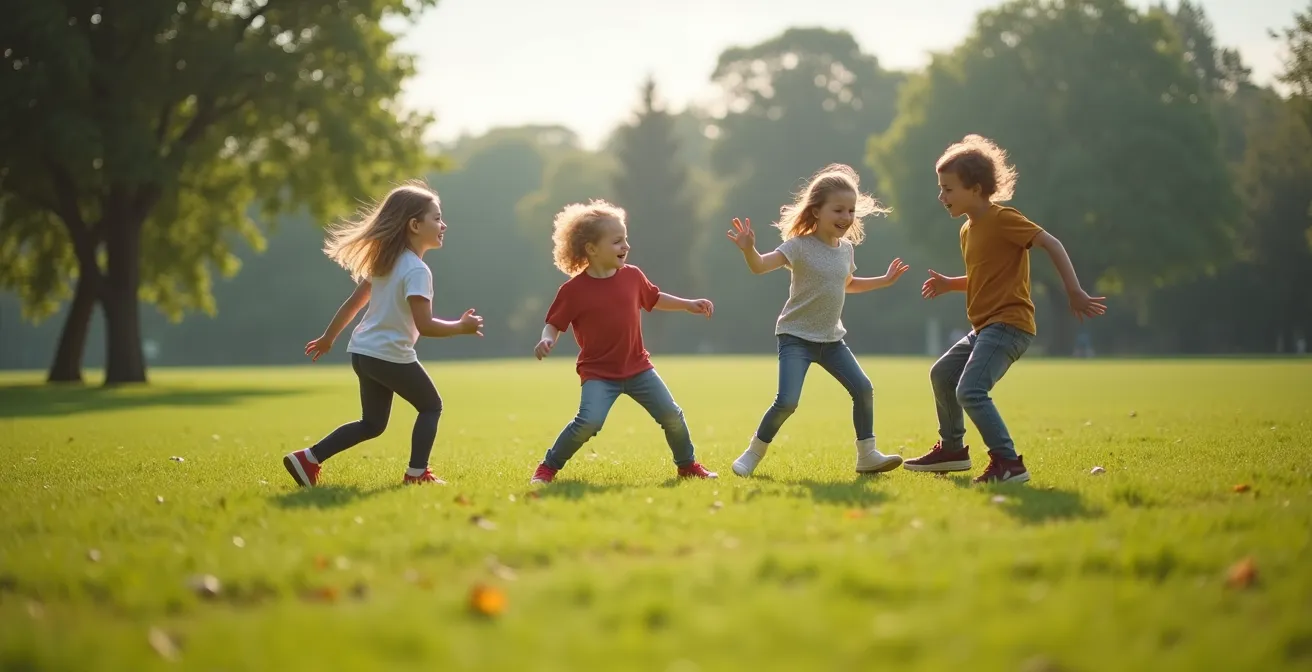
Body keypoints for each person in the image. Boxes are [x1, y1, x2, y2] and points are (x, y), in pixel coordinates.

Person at [905, 135, 1106, 483]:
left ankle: (1009, 463)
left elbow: (1051, 243)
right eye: (941, 188)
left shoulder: (1003, 218)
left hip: (1009, 324)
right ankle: (952, 451)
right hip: (983, 327)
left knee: (970, 390)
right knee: (942, 374)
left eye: (948, 188)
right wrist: (951, 283)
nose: (941, 196)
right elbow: (984, 274)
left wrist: (1073, 290)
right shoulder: (968, 230)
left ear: (976, 188)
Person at [283, 180, 484, 488]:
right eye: (436, 218)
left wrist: (329, 338)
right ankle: (417, 474)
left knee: (373, 424)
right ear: (415, 225)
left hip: (363, 353)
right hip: (389, 355)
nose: (444, 224)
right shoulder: (417, 270)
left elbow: (352, 305)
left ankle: (307, 459)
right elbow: (426, 325)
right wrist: (461, 326)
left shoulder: (385, 262)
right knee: (431, 406)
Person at [726, 164, 909, 478]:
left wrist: (884, 280)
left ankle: (867, 455)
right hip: (795, 337)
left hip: (831, 340)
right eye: (838, 209)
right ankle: (753, 453)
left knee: (863, 388)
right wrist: (749, 249)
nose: (845, 217)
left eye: (850, 210)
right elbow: (759, 267)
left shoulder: (846, 249)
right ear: (817, 210)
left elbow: (848, 284)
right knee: (787, 402)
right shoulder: (799, 246)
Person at [530, 199, 718, 484]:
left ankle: (687, 465)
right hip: (599, 374)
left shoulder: (632, 276)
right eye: (617, 241)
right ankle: (547, 467)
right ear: (592, 249)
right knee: (588, 422)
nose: (625, 246)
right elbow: (554, 324)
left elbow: (654, 298)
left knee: (671, 415)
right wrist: (546, 340)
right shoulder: (573, 290)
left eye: (625, 240)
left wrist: (688, 304)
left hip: (639, 368)